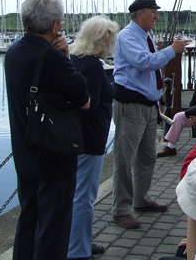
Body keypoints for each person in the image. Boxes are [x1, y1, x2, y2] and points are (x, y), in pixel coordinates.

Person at [5, 0, 90, 260]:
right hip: (54, 152)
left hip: (25, 149)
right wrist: (65, 55)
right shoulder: (51, 58)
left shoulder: (13, 52)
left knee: (29, 221)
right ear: (55, 26)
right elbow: (84, 100)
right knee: (53, 230)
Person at [111, 0, 190, 230]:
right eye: (153, 12)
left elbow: (148, 70)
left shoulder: (144, 36)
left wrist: (157, 97)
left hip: (147, 105)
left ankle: (141, 199)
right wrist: (171, 51)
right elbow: (144, 62)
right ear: (140, 13)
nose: (156, 16)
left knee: (147, 157)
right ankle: (120, 210)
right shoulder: (127, 36)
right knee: (124, 160)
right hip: (130, 106)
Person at [67, 16, 118, 260]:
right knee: (84, 198)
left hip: (76, 140)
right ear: (102, 40)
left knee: (76, 195)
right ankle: (78, 250)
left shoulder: (75, 59)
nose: (112, 45)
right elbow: (90, 106)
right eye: (110, 39)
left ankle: (80, 241)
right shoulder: (95, 68)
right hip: (90, 140)